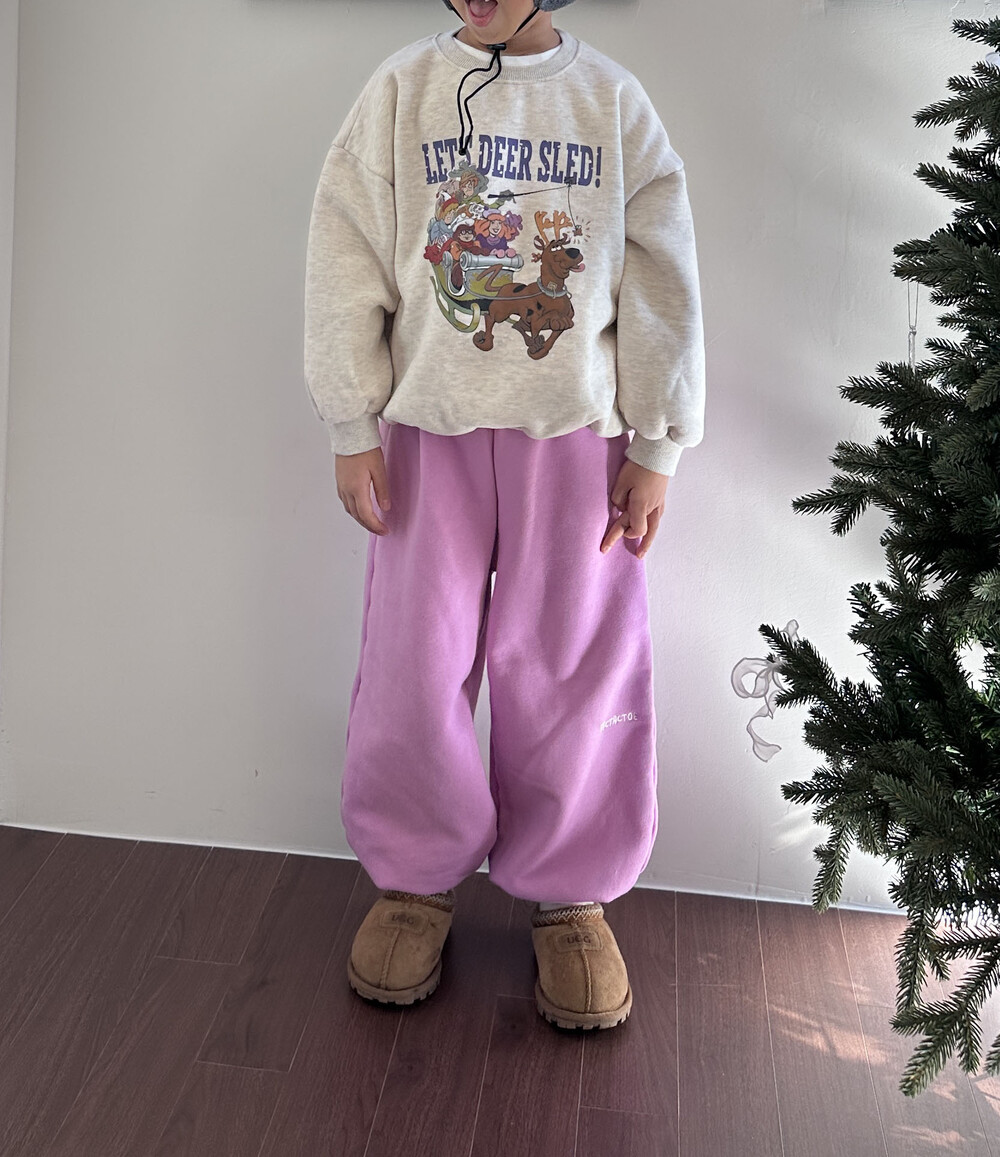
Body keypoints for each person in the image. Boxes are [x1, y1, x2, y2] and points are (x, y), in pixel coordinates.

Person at [303, 0, 706, 1032]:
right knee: (413, 658)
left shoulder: (610, 101)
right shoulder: (402, 90)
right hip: (424, 436)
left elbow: (661, 275)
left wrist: (657, 443)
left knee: (572, 660)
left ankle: (571, 892)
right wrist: (350, 420)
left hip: (576, 442)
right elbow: (346, 248)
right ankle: (414, 876)